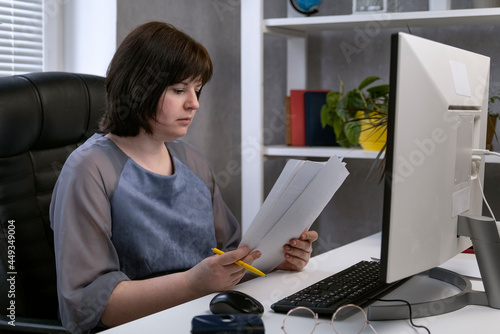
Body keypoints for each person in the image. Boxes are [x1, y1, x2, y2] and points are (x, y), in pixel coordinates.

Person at [50, 21, 318, 334]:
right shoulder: (88, 169)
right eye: (179, 90)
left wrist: (274, 260)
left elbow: (228, 255)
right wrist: (192, 284)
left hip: (202, 317)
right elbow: (88, 306)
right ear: (138, 88)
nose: (194, 103)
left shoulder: (192, 160)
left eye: (197, 90)